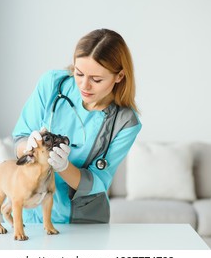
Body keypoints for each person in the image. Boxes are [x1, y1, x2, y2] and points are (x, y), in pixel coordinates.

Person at [12, 28, 142, 224]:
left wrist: (63, 166)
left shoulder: (125, 122)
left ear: (119, 76)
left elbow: (98, 182)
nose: (84, 85)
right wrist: (28, 145)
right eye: (78, 73)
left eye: (96, 79)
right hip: (28, 210)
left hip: (78, 221)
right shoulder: (52, 84)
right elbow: (19, 139)